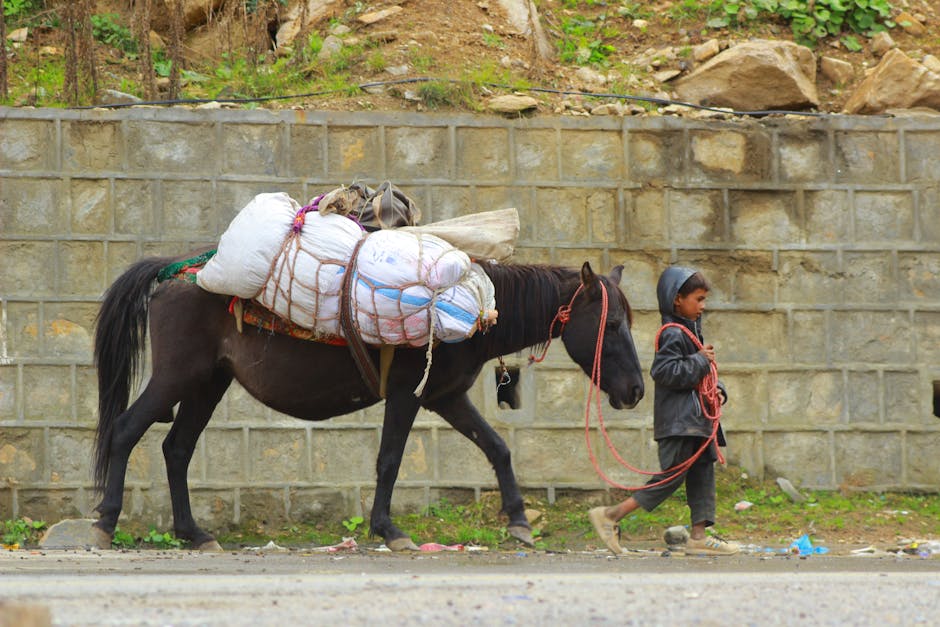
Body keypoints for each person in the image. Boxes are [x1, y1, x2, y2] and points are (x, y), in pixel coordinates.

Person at [588, 266, 740, 556]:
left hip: (696, 422)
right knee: (671, 478)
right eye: (698, 299)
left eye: (704, 299)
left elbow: (699, 375)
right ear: (677, 300)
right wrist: (699, 361)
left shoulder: (690, 332)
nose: (703, 306)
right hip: (679, 423)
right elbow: (665, 372)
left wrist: (718, 388)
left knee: (702, 474)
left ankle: (699, 536)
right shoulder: (672, 333)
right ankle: (610, 515)